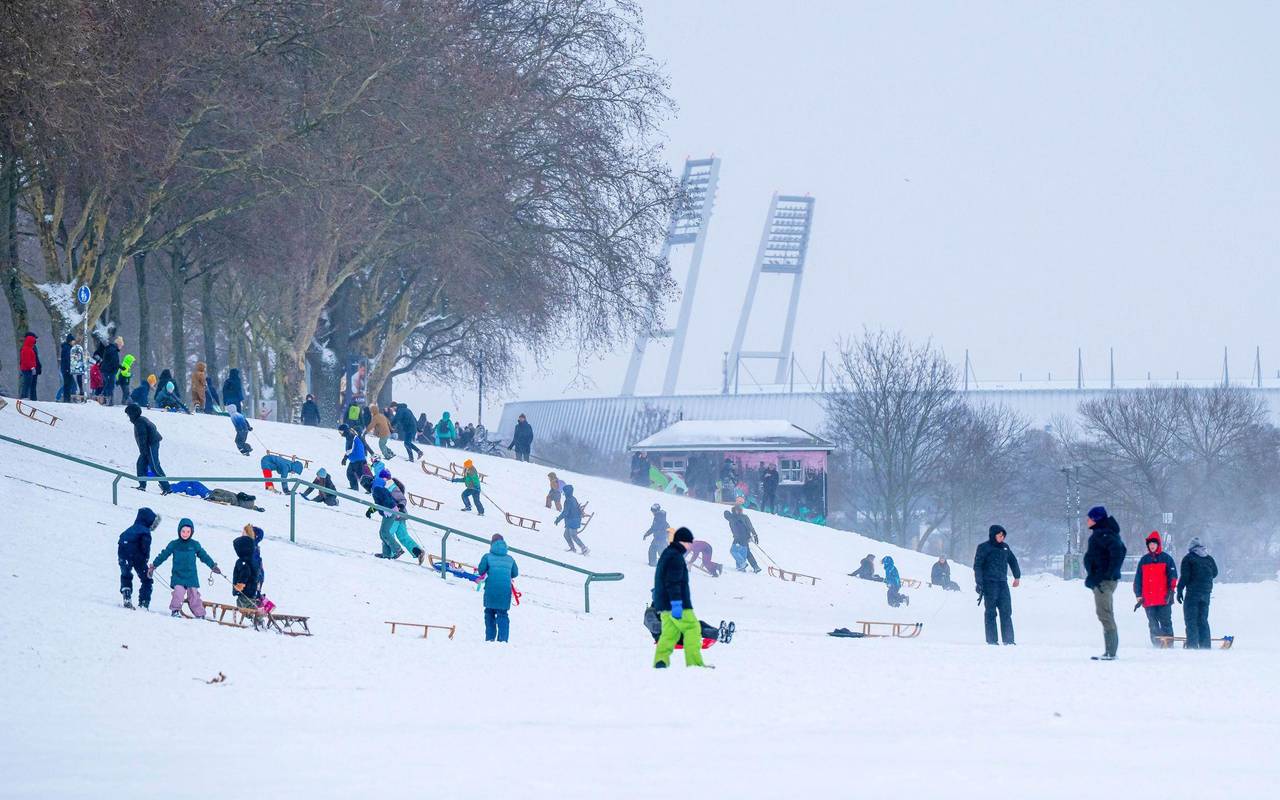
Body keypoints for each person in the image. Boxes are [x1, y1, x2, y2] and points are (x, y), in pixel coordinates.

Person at [652, 527, 705, 668]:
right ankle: (695, 664)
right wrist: (676, 604)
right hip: (677, 604)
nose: (690, 546)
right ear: (682, 542)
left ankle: (660, 661)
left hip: (663, 605)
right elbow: (673, 582)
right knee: (692, 628)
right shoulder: (675, 557)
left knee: (670, 634)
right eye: (689, 543)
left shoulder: (667, 553)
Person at [148, 518, 220, 618]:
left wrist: (213, 565)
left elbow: (204, 556)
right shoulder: (174, 544)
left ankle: (200, 614)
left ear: (191, 532)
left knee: (194, 595)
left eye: (188, 532)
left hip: (191, 576)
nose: (185, 534)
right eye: (183, 531)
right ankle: (175, 610)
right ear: (179, 531)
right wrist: (154, 565)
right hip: (178, 576)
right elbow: (163, 555)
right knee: (178, 592)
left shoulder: (194, 545)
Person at [1083, 505, 1127, 660]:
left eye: (1089, 518)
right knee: (1104, 613)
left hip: (1103, 582)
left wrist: (1106, 574)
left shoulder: (1104, 535)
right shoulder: (1101, 534)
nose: (1087, 520)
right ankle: (1109, 650)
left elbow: (1119, 552)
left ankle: (1111, 652)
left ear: (1096, 519)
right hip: (1100, 580)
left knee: (1105, 614)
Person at [973, 525, 1021, 644]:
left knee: (1006, 612)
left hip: (1002, 583)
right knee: (990, 612)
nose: (1002, 537)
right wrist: (979, 583)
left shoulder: (1005, 547)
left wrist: (1017, 576)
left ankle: (1009, 640)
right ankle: (992, 640)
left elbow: (1013, 561)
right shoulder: (984, 547)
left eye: (1003, 535)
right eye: (999, 535)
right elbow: (977, 566)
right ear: (993, 535)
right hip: (989, 584)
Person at [1134, 531, 1178, 646]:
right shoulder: (1144, 560)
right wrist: (1138, 594)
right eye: (1150, 544)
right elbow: (1138, 579)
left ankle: (1168, 644)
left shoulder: (1167, 559)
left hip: (1164, 598)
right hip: (1148, 599)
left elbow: (1173, 576)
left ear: (1158, 544)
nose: (1152, 545)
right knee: (1152, 624)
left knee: (1166, 622)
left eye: (1154, 543)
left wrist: (1171, 590)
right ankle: (1157, 644)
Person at [475, 533, 520, 642]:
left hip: (491, 589)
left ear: (492, 544)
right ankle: (503, 640)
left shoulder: (487, 556)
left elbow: (481, 570)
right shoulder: (510, 559)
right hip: (505, 590)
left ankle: (490, 638)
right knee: (502, 614)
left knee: (489, 612)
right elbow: (515, 573)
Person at [1177, 537, 1219, 649]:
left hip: (1192, 594)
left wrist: (1179, 590)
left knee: (1191, 620)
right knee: (1203, 620)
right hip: (1206, 594)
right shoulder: (1209, 558)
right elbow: (1215, 573)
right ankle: (1205, 645)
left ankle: (1192, 646)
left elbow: (1185, 576)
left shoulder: (1188, 558)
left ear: (1191, 548)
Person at [117, 507, 160, 609]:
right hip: (138, 557)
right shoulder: (145, 532)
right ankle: (144, 602)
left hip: (123, 556)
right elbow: (145, 547)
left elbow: (121, 543)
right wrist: (145, 559)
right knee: (147, 579)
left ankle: (126, 594)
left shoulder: (128, 530)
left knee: (126, 575)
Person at [125, 404, 171, 495]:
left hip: (151, 445)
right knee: (140, 464)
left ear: (133, 414)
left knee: (154, 466)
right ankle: (142, 485)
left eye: (129, 414)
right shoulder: (140, 420)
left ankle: (167, 487)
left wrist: (144, 451)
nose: (128, 417)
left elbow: (143, 438)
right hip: (147, 446)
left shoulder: (139, 422)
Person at [231, 532, 262, 626]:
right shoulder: (252, 561)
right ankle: (257, 618)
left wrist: (239, 586)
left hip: (245, 590)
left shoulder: (243, 562)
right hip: (251, 590)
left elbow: (245, 574)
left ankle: (256, 618)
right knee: (249, 603)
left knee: (242, 604)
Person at [724, 501, 761, 573]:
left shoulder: (743, 517)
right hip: (740, 538)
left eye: (739, 510)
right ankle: (752, 567)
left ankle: (743, 565)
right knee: (745, 552)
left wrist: (754, 535)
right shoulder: (732, 518)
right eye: (737, 510)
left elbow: (750, 527)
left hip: (742, 538)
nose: (739, 511)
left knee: (735, 551)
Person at [554, 484, 587, 554]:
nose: (564, 493)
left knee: (573, 535)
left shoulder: (568, 500)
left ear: (567, 492)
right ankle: (572, 548)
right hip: (572, 520)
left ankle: (584, 548)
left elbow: (565, 512)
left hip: (573, 520)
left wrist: (558, 519)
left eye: (564, 492)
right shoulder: (573, 498)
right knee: (566, 535)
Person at [340, 424, 369, 491]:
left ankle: (369, 489)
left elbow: (350, 449)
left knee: (361, 476)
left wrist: (345, 458)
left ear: (345, 431)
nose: (340, 434)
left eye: (341, 432)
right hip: (355, 459)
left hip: (358, 459)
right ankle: (354, 487)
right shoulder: (350, 434)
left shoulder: (350, 436)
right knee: (350, 473)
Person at [98, 335, 120, 406]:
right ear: (118, 344)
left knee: (107, 384)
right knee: (109, 385)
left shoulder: (111, 349)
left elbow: (112, 361)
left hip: (106, 370)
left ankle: (106, 399)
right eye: (121, 345)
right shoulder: (113, 350)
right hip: (109, 371)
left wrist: (120, 367)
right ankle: (107, 400)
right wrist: (117, 367)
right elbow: (113, 362)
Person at [18, 332, 40, 400]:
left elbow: (33, 359)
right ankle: (25, 396)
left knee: (29, 383)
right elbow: (27, 360)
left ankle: (28, 397)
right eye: (34, 339)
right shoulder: (27, 348)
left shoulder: (30, 347)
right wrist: (32, 367)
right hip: (27, 368)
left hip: (29, 368)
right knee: (27, 383)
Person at [58, 333, 75, 402]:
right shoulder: (67, 348)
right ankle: (66, 398)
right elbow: (68, 359)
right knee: (67, 384)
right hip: (67, 369)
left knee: (68, 383)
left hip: (67, 368)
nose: (74, 342)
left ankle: (67, 398)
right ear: (70, 341)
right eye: (73, 341)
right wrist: (69, 368)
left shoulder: (68, 348)